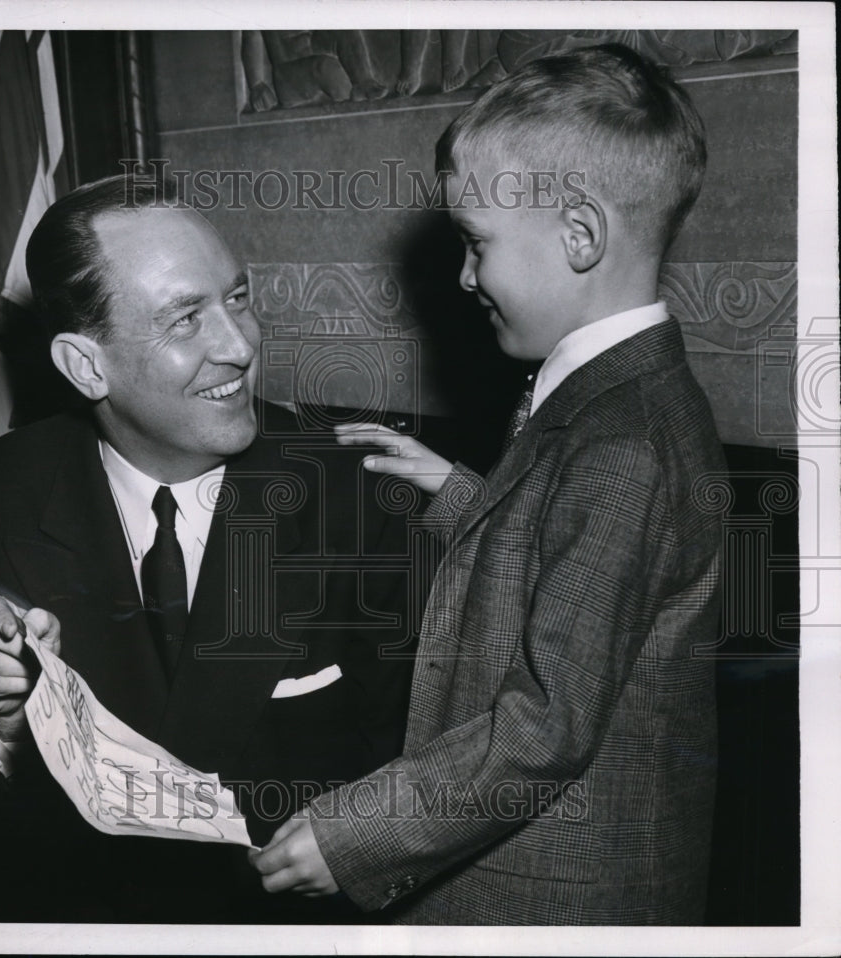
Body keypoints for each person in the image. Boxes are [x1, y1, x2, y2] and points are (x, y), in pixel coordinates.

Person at [251, 43, 726, 924]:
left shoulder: (627, 443)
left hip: (559, 902)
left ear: (580, 235)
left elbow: (546, 724)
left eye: (477, 245)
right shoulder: (616, 398)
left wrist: (357, 833)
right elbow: (582, 572)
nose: (465, 278)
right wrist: (468, 496)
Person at [0, 174, 418, 923]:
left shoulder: (357, 493)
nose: (240, 345)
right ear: (85, 365)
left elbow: (439, 756)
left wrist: (364, 839)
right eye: (185, 319)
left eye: (238, 297)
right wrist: (6, 731)